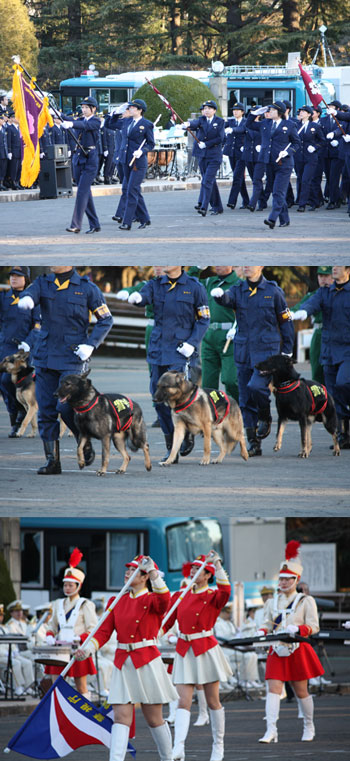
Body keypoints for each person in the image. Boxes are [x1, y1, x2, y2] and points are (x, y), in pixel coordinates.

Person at [75, 554, 178, 761]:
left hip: (147, 661)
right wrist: (88, 649)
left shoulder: (152, 599)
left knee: (154, 718)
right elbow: (103, 631)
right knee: (121, 717)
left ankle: (169, 758)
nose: (127, 573)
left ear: (144, 577)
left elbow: (165, 601)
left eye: (133, 570)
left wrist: (154, 573)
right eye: (127, 569)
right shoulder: (116, 601)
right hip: (123, 662)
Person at [17, 266, 113, 474]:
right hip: (45, 355)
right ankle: (53, 461)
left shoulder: (88, 288)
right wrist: (27, 298)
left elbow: (106, 319)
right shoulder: (43, 283)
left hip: (72, 357)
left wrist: (91, 344)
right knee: (47, 410)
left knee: (66, 407)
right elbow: (30, 292)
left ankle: (83, 441)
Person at [128, 266, 210, 461]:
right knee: (158, 400)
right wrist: (138, 299)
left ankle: (187, 433)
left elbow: (204, 319)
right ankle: (170, 442)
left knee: (181, 399)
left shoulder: (194, 287)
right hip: (158, 350)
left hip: (181, 351)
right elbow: (144, 295)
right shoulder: (155, 284)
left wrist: (192, 343)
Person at [211, 266, 294, 456]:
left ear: (261, 266)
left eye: (251, 263)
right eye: (244, 264)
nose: (246, 267)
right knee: (245, 397)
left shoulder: (273, 291)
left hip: (266, 352)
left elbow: (286, 320)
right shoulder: (237, 290)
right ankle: (253, 441)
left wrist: (287, 350)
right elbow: (227, 299)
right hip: (243, 350)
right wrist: (219, 296)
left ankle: (265, 416)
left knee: (257, 387)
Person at [162, 551, 232, 761]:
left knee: (213, 701)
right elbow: (166, 621)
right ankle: (179, 747)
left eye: (198, 569)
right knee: (183, 701)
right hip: (184, 649)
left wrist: (218, 564)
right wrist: (155, 634)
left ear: (207, 575)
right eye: (192, 567)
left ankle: (218, 746)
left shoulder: (213, 596)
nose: (193, 571)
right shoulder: (180, 594)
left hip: (206, 649)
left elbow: (226, 590)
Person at [256, 541, 324, 743]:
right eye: (282, 579)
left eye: (288, 579)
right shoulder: (272, 601)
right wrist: (261, 631)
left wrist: (300, 629)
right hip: (276, 649)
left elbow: (314, 626)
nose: (284, 582)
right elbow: (268, 625)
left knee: (301, 691)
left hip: (297, 649)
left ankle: (309, 725)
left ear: (296, 580)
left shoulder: (305, 601)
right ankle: (271, 730)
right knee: (273, 689)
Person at [292, 265, 350, 448]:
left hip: (347, 348)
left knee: (343, 383)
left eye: (337, 266)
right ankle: (343, 433)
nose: (334, 269)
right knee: (331, 392)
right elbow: (312, 303)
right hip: (329, 349)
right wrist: (304, 311)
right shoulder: (325, 292)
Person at [45, 548, 97, 698]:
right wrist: (49, 635)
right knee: (56, 687)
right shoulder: (58, 603)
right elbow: (52, 626)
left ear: (78, 586)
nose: (67, 588)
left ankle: (84, 716)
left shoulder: (86, 604)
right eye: (65, 585)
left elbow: (92, 628)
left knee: (81, 688)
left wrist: (80, 638)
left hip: (77, 649)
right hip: (59, 649)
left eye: (71, 585)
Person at [246, 101, 301, 228]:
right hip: (269, 162)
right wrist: (254, 114)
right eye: (269, 110)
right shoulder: (265, 123)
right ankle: (285, 219)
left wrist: (287, 152)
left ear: (279, 112)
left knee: (278, 192)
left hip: (284, 163)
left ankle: (272, 218)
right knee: (276, 191)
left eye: (272, 110)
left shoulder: (290, 124)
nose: (269, 112)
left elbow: (296, 143)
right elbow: (249, 125)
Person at [189, 266, 241, 401]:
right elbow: (189, 281)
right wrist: (197, 268)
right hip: (209, 336)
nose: (218, 265)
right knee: (208, 383)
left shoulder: (239, 284)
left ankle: (240, 408)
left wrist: (238, 328)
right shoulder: (208, 282)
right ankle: (213, 411)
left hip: (230, 338)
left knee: (230, 380)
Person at [0, 266, 41, 436]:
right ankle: (15, 414)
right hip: (4, 347)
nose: (14, 279)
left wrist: (28, 343)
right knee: (2, 383)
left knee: (7, 380)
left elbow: (37, 326)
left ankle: (18, 418)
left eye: (18, 276)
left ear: (26, 279)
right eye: (12, 276)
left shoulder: (32, 299)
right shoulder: (3, 298)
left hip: (22, 350)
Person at [109, 99, 155, 230]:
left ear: (140, 110)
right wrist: (116, 112)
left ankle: (127, 222)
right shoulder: (126, 121)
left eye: (133, 107)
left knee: (131, 190)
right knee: (133, 190)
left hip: (138, 162)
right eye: (130, 107)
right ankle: (145, 218)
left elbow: (151, 143)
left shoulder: (147, 124)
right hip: (125, 160)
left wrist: (142, 151)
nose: (130, 109)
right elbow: (110, 124)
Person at [61, 96, 101, 233]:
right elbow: (72, 120)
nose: (83, 110)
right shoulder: (81, 120)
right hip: (79, 158)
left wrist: (72, 125)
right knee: (85, 193)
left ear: (93, 109)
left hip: (90, 159)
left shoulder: (96, 121)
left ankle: (76, 224)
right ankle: (95, 224)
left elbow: (84, 126)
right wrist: (56, 114)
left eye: (86, 107)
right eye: (82, 107)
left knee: (82, 192)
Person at [182, 100, 225, 216]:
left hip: (214, 156)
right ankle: (217, 206)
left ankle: (204, 206)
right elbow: (194, 124)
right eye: (205, 108)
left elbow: (221, 138)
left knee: (207, 181)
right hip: (202, 155)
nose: (206, 110)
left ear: (214, 110)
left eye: (209, 108)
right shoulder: (201, 120)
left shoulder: (220, 121)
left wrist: (207, 144)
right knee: (209, 181)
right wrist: (187, 125)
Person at [291, 266, 333, 383]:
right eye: (320, 276)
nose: (323, 279)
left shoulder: (341, 293)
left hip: (336, 334)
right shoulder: (314, 295)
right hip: (318, 334)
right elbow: (299, 308)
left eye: (326, 276)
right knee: (317, 373)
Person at [293, 105, 326, 212]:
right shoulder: (296, 126)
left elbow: (322, 141)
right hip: (299, 157)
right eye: (300, 111)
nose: (301, 113)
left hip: (311, 157)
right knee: (301, 179)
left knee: (306, 180)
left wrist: (315, 147)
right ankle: (315, 201)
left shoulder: (314, 126)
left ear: (309, 114)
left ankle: (302, 204)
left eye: (303, 112)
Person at [223, 102, 249, 210]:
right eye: (234, 110)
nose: (235, 112)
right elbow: (220, 126)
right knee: (239, 177)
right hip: (231, 152)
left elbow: (242, 129)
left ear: (242, 112)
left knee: (237, 176)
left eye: (237, 110)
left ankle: (232, 201)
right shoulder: (230, 121)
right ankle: (247, 201)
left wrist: (233, 129)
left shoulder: (246, 122)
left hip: (242, 153)